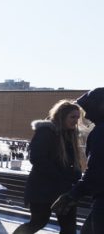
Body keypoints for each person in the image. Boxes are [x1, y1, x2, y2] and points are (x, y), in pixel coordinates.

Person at [14, 99, 84, 234]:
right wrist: (62, 177)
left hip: (64, 190)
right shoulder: (46, 132)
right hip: (43, 189)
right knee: (38, 222)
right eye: (73, 117)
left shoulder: (70, 135)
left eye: (77, 117)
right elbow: (37, 159)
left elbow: (71, 161)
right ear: (62, 116)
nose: (76, 121)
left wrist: (76, 174)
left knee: (69, 227)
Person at [52, 87, 104, 233]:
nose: (86, 114)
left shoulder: (100, 132)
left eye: (89, 108)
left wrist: (73, 194)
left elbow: (96, 171)